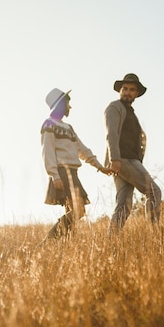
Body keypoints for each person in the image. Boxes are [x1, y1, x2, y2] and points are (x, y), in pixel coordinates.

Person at [38, 88, 111, 246]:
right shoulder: (49, 125)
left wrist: (100, 167)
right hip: (62, 172)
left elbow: (82, 150)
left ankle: (64, 248)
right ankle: (46, 243)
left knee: (72, 216)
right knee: (79, 210)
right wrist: (54, 175)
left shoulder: (69, 128)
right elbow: (47, 151)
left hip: (73, 173)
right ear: (60, 105)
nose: (70, 107)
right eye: (67, 103)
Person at [104, 73, 161, 233]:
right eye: (125, 89)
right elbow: (111, 134)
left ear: (136, 94)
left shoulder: (130, 112)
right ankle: (154, 235)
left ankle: (111, 241)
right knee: (154, 192)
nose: (128, 92)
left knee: (124, 205)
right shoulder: (114, 107)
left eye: (132, 90)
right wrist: (114, 159)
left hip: (128, 160)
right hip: (122, 159)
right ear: (120, 91)